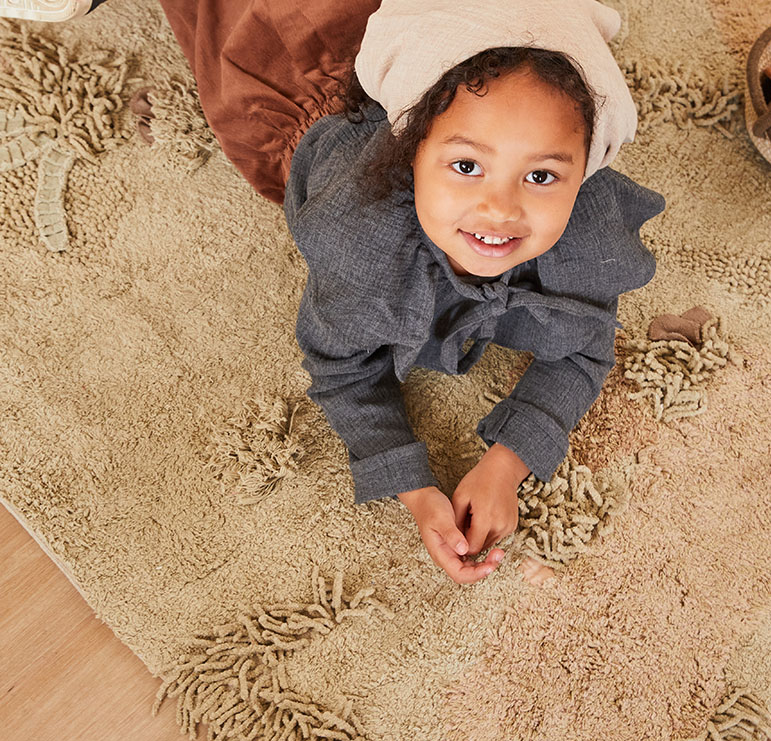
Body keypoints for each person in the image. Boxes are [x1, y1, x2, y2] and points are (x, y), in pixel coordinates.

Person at [3, 0, 665, 585]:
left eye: (544, 176)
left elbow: (583, 347)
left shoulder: (588, 233)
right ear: (410, 151)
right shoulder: (361, 239)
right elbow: (340, 365)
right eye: (466, 166)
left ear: (586, 171)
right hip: (284, 52)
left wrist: (506, 465)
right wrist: (407, 482)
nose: (499, 208)